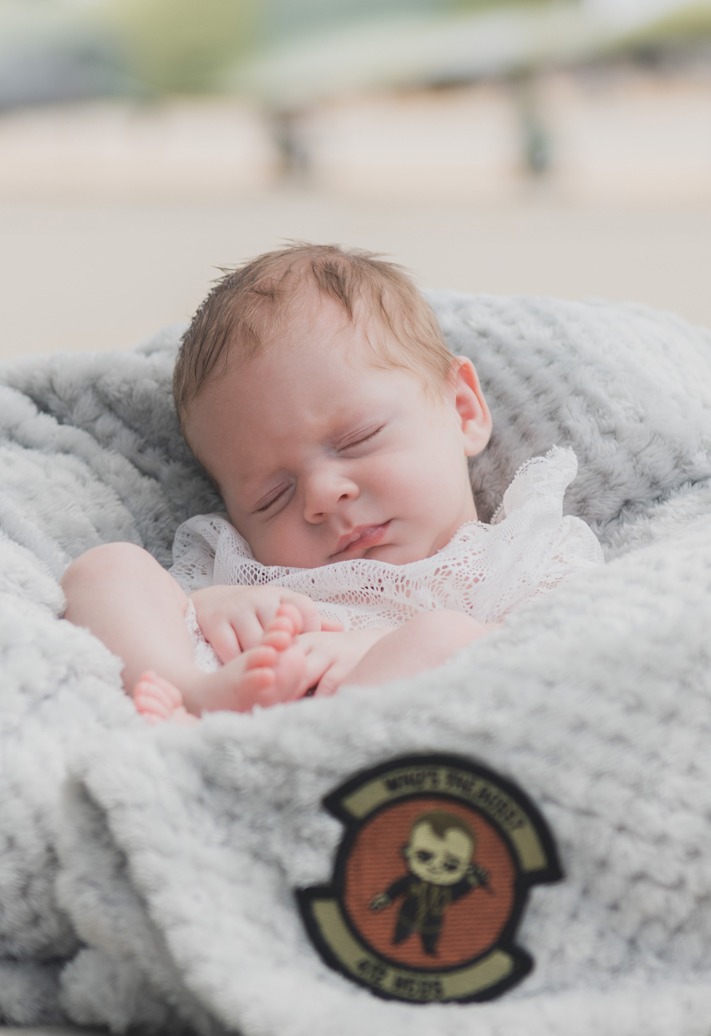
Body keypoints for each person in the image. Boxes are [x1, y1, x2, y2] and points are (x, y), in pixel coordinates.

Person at [60, 243, 600, 723]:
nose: (322, 495)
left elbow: (565, 659)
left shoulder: (516, 557)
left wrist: (379, 650)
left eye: (358, 438)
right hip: (224, 717)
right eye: (271, 497)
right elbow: (158, 604)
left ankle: (306, 743)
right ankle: (187, 698)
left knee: (446, 637)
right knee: (104, 569)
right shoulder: (246, 571)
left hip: (362, 759)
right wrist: (206, 609)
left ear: (463, 410)